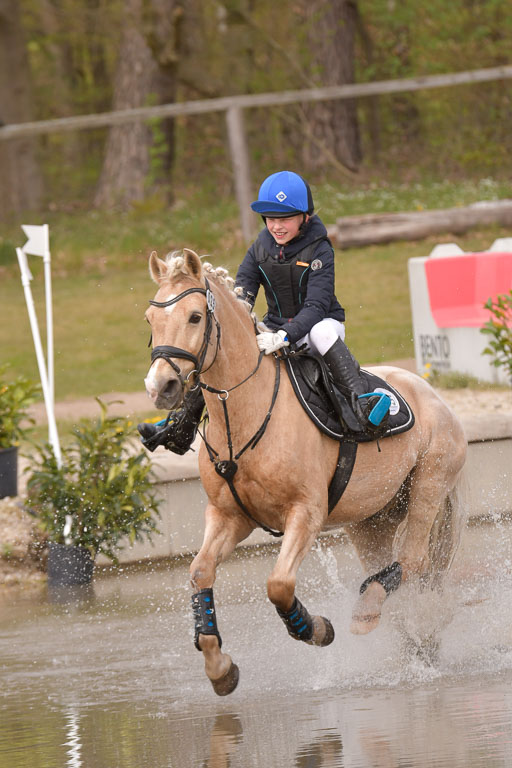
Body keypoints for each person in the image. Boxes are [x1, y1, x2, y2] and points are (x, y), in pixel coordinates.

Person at [138, 170, 388, 454]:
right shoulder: (259, 248)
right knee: (217, 354)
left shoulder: (320, 250)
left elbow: (317, 306)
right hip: (274, 329)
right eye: (271, 219)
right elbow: (243, 292)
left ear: (305, 217)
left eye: (285, 219)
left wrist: (286, 334)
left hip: (319, 324)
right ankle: (181, 427)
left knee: (322, 333)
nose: (277, 226)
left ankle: (362, 401)